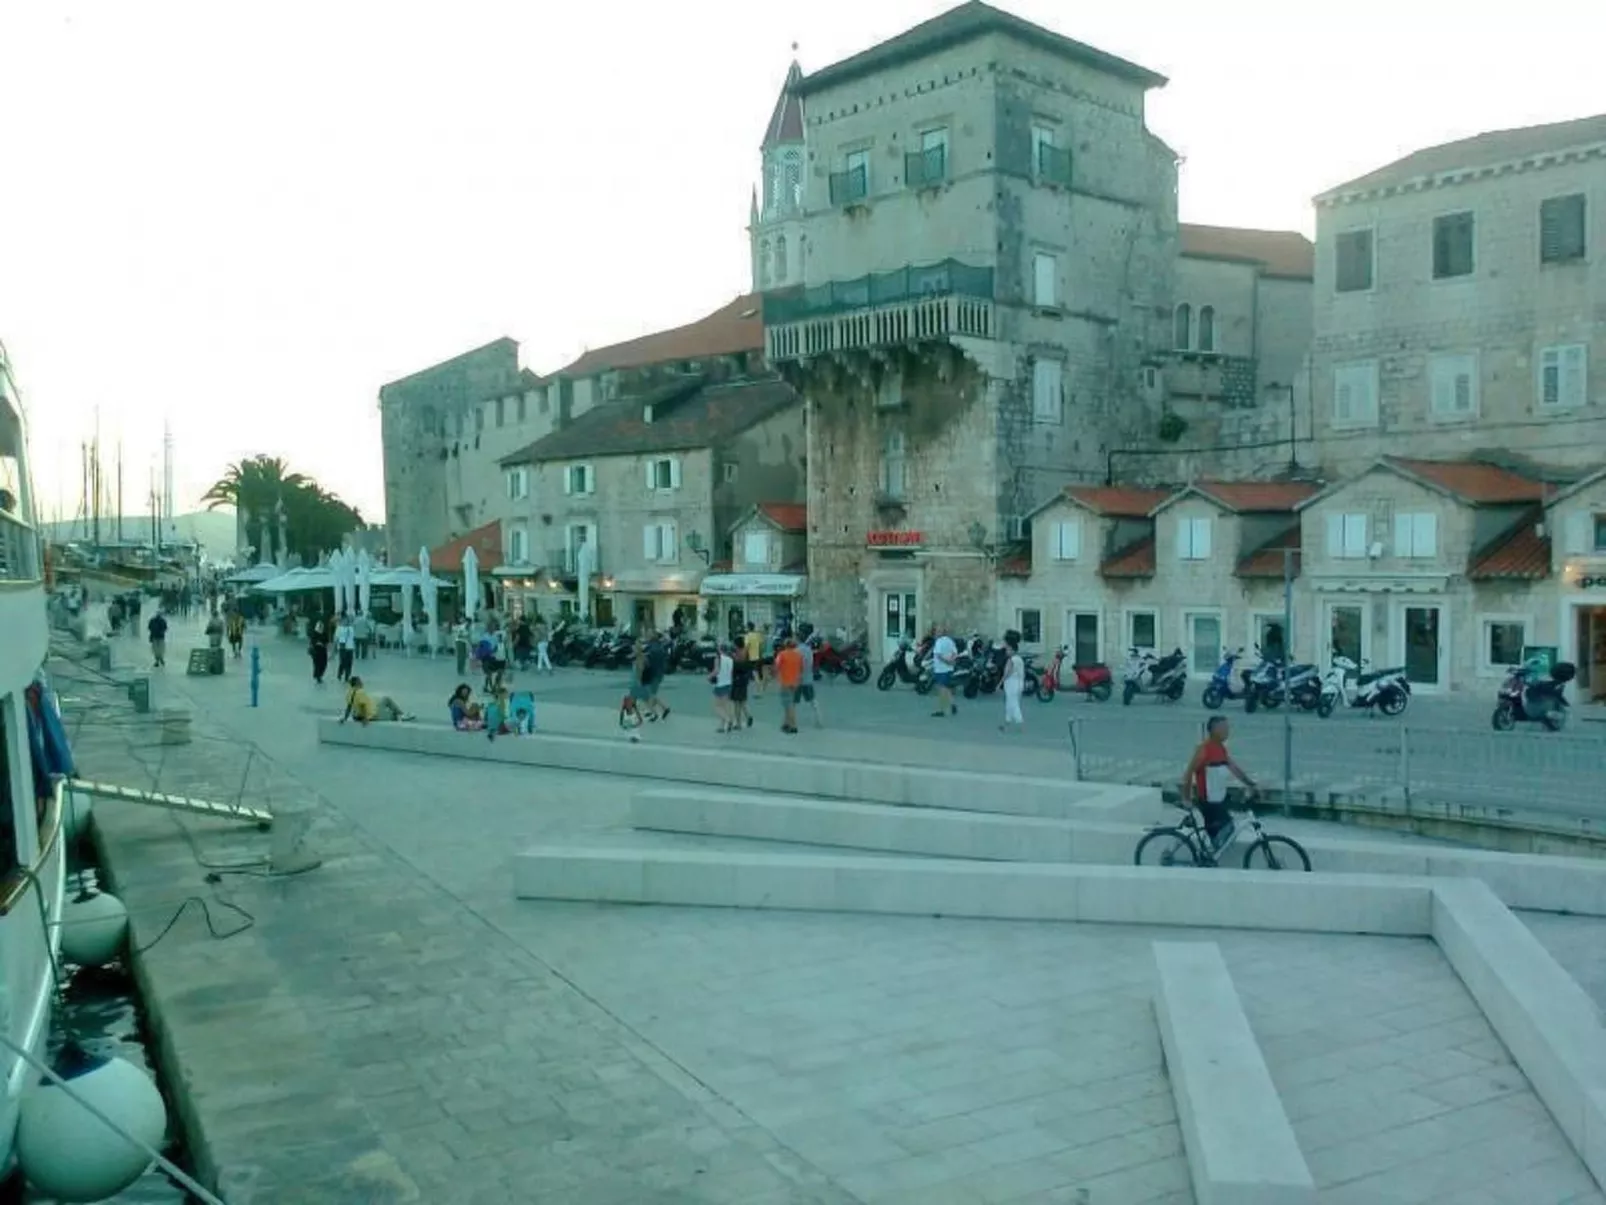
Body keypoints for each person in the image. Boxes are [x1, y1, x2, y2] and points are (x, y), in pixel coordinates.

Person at [1180, 715, 1259, 852]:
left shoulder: (1220, 749)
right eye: (1224, 728)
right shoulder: (1204, 749)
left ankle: (1211, 852)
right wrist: (1186, 798)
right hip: (1208, 801)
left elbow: (1234, 768)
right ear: (1215, 730)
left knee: (1228, 828)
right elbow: (1188, 774)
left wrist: (1250, 783)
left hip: (1219, 799)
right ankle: (1208, 858)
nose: (1228, 731)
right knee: (1223, 831)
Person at [341, 676, 413, 724]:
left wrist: (345, 718)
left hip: (357, 716)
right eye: (360, 681)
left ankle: (400, 714)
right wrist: (365, 719)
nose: (362, 682)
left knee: (385, 700)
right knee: (391, 712)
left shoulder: (350, 692)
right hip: (372, 716)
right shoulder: (361, 692)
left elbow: (349, 707)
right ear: (357, 683)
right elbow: (363, 706)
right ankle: (401, 716)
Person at [773, 637, 804, 734]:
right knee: (789, 704)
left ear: (785, 645)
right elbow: (802, 669)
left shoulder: (782, 655)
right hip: (795, 682)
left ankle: (793, 725)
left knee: (788, 705)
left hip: (785, 682)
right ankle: (785, 723)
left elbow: (776, 667)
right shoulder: (799, 655)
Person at [930, 625, 959, 717]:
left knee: (942, 690)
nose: (935, 633)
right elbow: (955, 653)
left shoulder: (939, 642)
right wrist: (951, 661)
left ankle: (941, 710)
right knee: (947, 688)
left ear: (940, 633)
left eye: (937, 632)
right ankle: (952, 704)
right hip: (949, 669)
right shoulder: (950, 641)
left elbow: (938, 655)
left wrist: (947, 662)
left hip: (940, 669)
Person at [795, 633, 822, 727]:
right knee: (812, 701)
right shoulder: (809, 650)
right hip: (807, 678)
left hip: (797, 679)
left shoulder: (796, 651)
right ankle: (818, 720)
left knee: (793, 702)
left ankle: (791, 721)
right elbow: (810, 663)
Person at [1000, 633, 1025, 734]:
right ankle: (1007, 724)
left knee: (1013, 704)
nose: (1006, 651)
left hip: (1011, 684)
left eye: (1008, 649)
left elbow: (1007, 673)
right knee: (1010, 703)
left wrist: (1000, 683)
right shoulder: (1019, 659)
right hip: (1019, 683)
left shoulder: (1011, 660)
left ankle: (1021, 724)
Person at [711, 642, 735, 732]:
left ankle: (727, 720)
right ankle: (722, 725)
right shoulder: (730, 659)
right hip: (728, 683)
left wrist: (709, 676)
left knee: (716, 706)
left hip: (720, 684)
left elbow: (716, 671)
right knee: (725, 705)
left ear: (720, 649)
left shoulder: (718, 658)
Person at [334, 611, 357, 683]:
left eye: (348, 620)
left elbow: (353, 638)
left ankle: (347, 676)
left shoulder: (351, 628)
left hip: (350, 648)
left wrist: (354, 647)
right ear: (342, 620)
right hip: (342, 648)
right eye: (345, 620)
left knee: (349, 663)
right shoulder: (339, 628)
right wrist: (334, 648)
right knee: (342, 662)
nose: (346, 621)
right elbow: (336, 638)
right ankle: (340, 674)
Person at [743, 624, 765, 696]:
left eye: (746, 627)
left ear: (748, 628)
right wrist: (761, 654)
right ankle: (759, 690)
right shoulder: (758, 635)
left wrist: (744, 655)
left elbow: (747, 647)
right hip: (758, 657)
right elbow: (761, 646)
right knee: (758, 674)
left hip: (751, 657)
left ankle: (758, 692)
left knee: (755, 675)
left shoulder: (748, 636)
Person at [308, 618, 330, 684]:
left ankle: (320, 675)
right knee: (317, 664)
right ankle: (318, 677)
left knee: (324, 664)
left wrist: (324, 644)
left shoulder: (324, 633)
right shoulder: (314, 633)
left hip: (323, 651)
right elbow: (312, 641)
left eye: (321, 626)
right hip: (316, 651)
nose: (320, 628)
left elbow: (327, 641)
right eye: (319, 626)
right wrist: (317, 643)